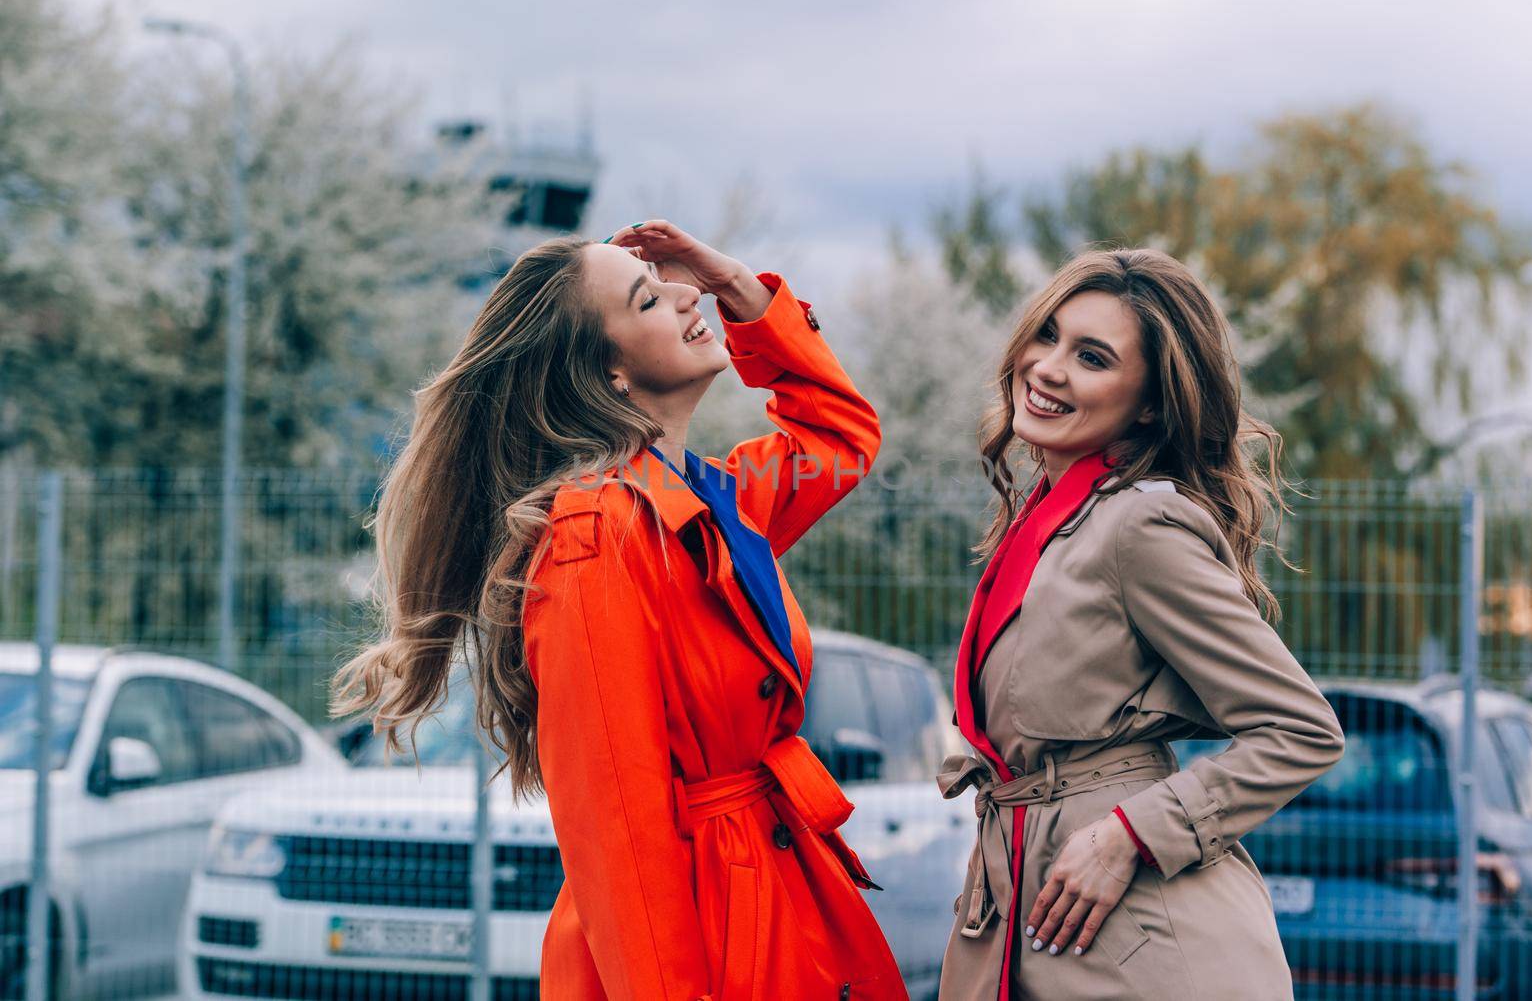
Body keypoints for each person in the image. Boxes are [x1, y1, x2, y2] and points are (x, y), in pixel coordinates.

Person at [333, 221, 906, 1000]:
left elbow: (840, 434)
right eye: (648, 298)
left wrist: (738, 286)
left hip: (771, 896)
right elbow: (618, 834)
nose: (683, 292)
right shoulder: (596, 533)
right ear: (608, 373)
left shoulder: (710, 501)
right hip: (703, 936)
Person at [937, 248, 1345, 1000]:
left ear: (1150, 403)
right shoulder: (1047, 524)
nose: (1048, 368)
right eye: (1048, 335)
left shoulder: (1140, 523)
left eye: (1091, 357)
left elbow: (1302, 729)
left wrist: (1134, 834)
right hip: (1036, 913)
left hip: (1145, 949)